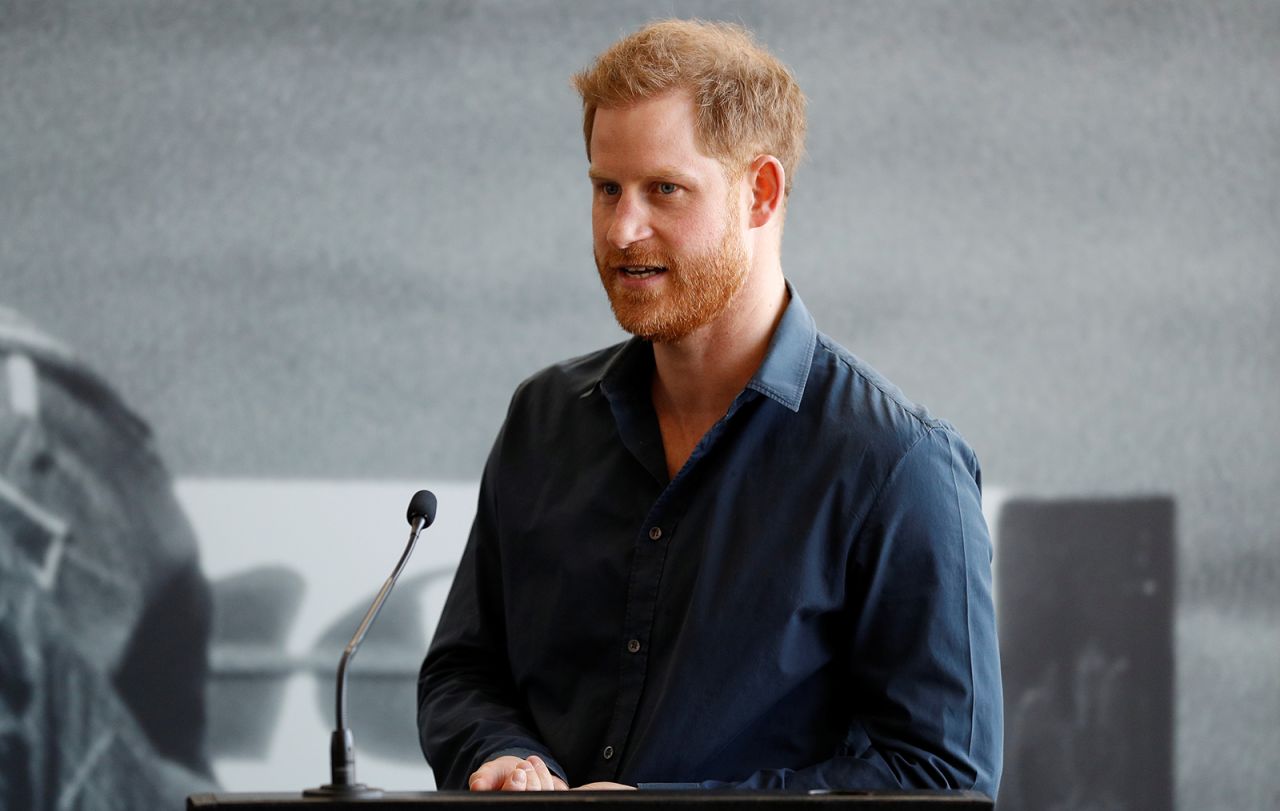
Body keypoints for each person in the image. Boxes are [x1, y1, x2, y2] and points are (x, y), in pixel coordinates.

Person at [418, 19, 1002, 796]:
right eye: (605, 188)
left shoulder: (898, 466)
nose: (623, 229)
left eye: (664, 189)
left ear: (760, 193)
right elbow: (465, 668)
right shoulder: (542, 419)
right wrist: (496, 755)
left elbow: (939, 779)